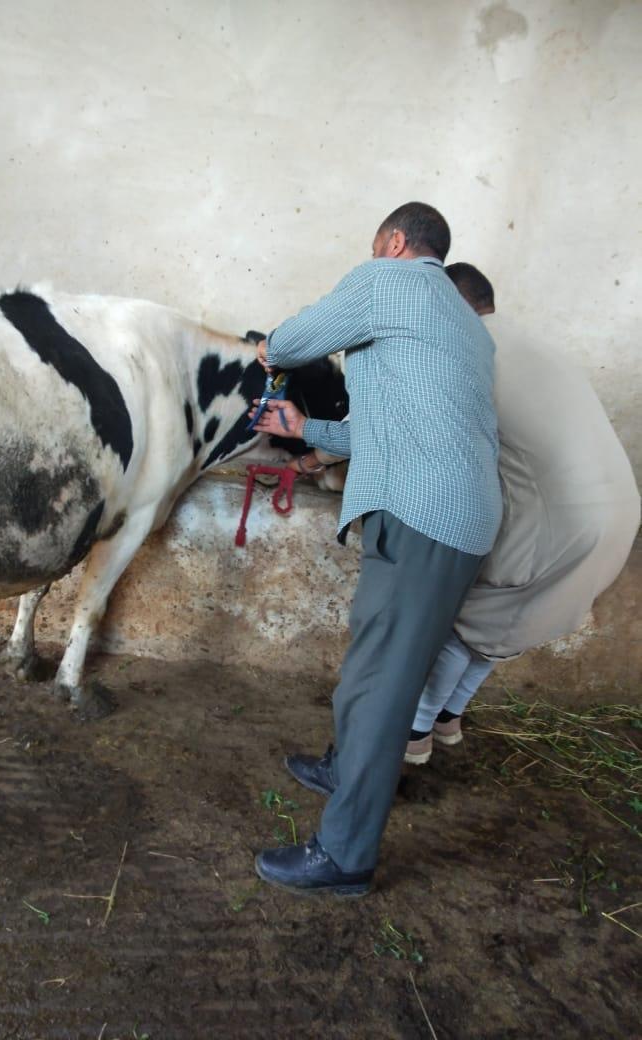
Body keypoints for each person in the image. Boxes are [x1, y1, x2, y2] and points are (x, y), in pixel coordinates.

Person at [281, 264, 640, 767]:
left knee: (455, 615)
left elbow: (380, 430)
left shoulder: (464, 350)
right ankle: (447, 717)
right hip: (619, 517)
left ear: (451, 304)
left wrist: (307, 449)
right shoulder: (534, 344)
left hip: (550, 524)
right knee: (507, 621)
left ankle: (414, 731)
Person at [250, 203, 503, 896]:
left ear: (394, 242)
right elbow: (389, 429)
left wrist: (270, 348)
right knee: (375, 661)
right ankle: (345, 767)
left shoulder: (391, 281)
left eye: (374, 247)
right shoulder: (465, 325)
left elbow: (295, 339)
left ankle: (345, 856)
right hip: (453, 515)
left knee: (386, 682)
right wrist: (307, 428)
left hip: (424, 516)